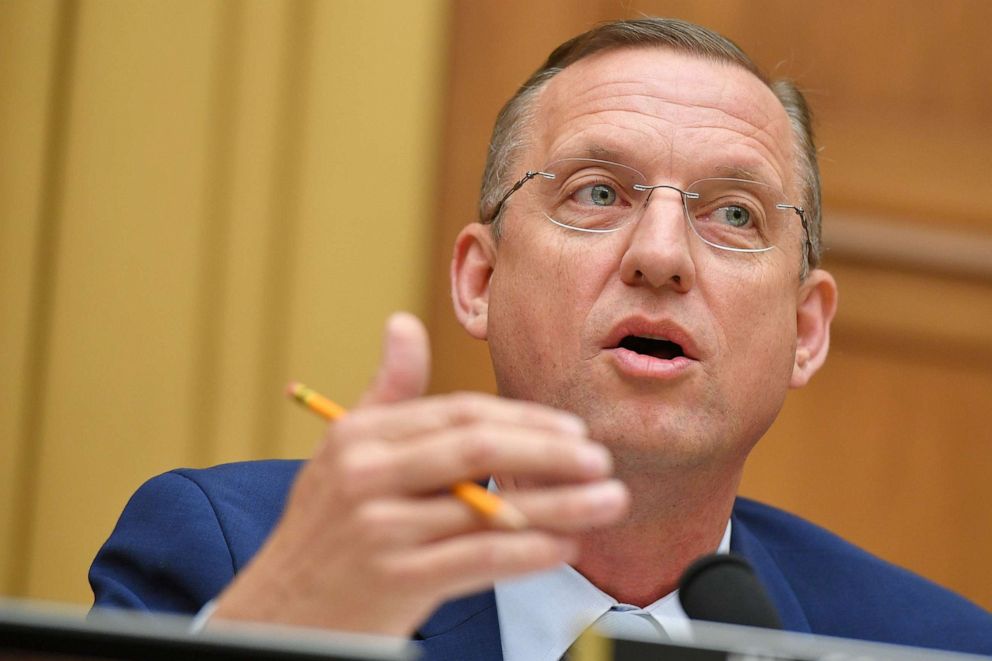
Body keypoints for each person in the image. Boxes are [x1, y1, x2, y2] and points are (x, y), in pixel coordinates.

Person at [89, 17, 992, 660]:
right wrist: (271, 639)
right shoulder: (228, 557)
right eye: (598, 192)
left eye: (733, 212)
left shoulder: (926, 647)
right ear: (480, 279)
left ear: (805, 330)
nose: (662, 256)